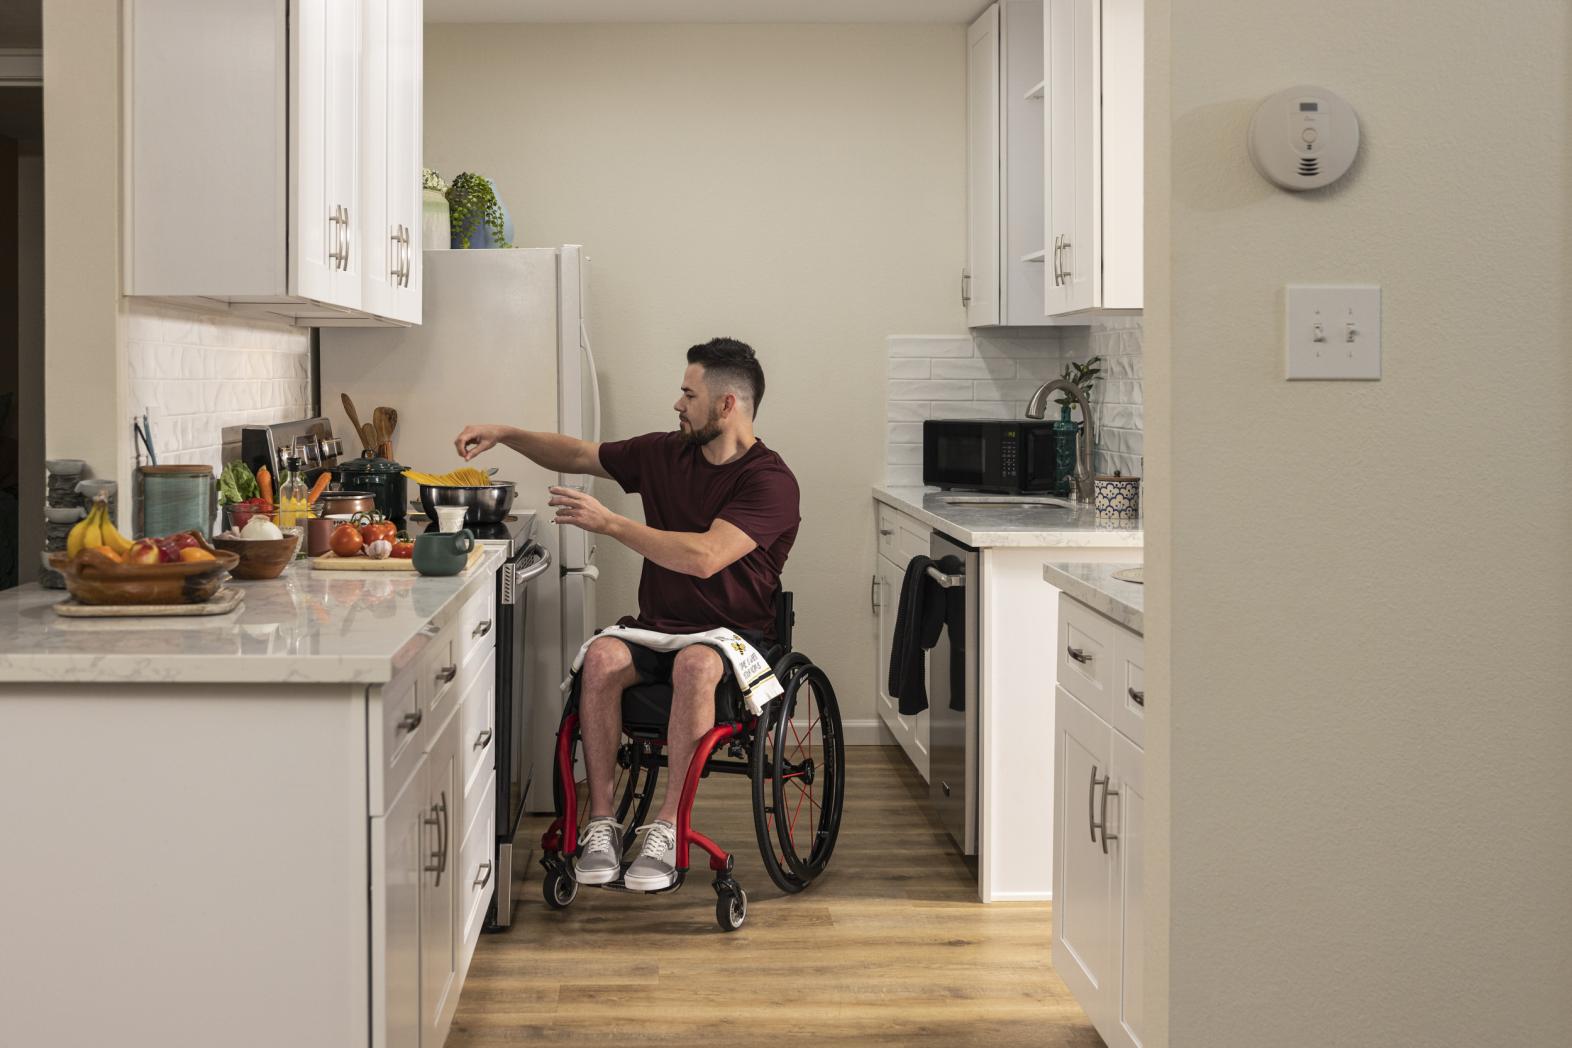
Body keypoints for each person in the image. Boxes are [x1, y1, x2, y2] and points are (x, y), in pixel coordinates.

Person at [452, 337, 800, 891]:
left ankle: (666, 827)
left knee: (694, 665)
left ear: (727, 404)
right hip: (658, 627)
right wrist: (507, 433)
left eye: (689, 394)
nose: (677, 404)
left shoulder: (770, 481)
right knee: (603, 656)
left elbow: (705, 557)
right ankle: (602, 824)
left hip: (730, 638)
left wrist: (611, 524)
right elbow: (579, 454)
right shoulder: (667, 453)